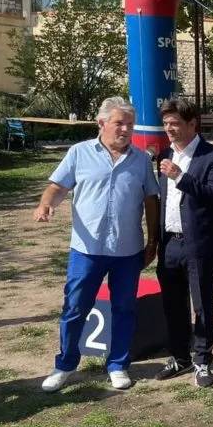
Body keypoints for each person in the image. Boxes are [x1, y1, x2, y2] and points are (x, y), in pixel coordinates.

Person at [36, 97, 159, 393]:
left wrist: (153, 239)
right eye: (120, 123)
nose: (126, 129)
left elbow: (151, 200)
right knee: (75, 307)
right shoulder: (79, 153)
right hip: (86, 250)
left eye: (130, 124)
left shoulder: (141, 160)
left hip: (127, 251)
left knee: (124, 308)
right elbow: (57, 187)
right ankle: (65, 365)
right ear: (101, 123)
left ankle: (118, 365)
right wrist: (45, 205)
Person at [154, 99, 213, 388]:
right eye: (166, 123)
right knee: (172, 303)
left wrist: (180, 177)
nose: (169, 129)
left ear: (192, 124)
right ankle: (178, 356)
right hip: (169, 242)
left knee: (201, 304)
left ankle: (202, 360)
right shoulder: (163, 154)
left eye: (175, 123)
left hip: (200, 244)